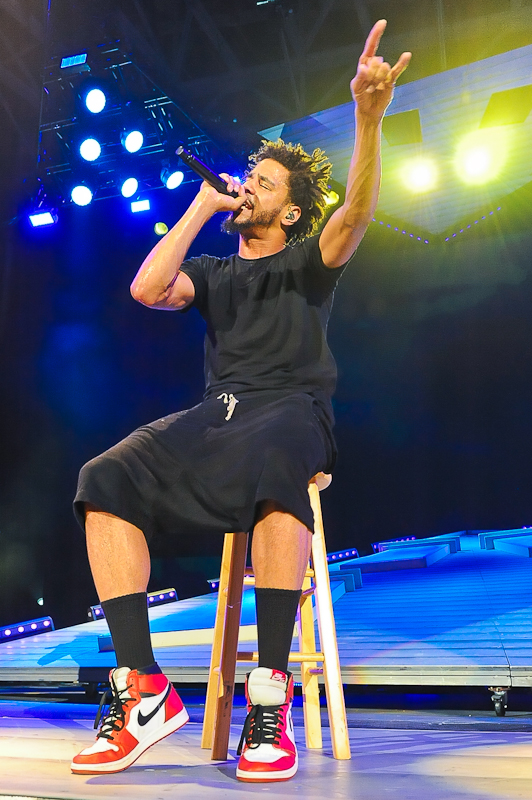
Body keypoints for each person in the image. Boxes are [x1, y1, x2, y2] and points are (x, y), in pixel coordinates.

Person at [70, 20, 410, 783]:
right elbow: (148, 288)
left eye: (263, 181)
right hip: (217, 414)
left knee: (276, 453)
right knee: (104, 478)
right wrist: (198, 208)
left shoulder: (306, 260)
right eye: (247, 175)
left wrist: (367, 117)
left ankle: (269, 695)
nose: (248, 184)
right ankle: (143, 689)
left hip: (291, 412)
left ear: (290, 211)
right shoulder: (218, 272)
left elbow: (353, 218)